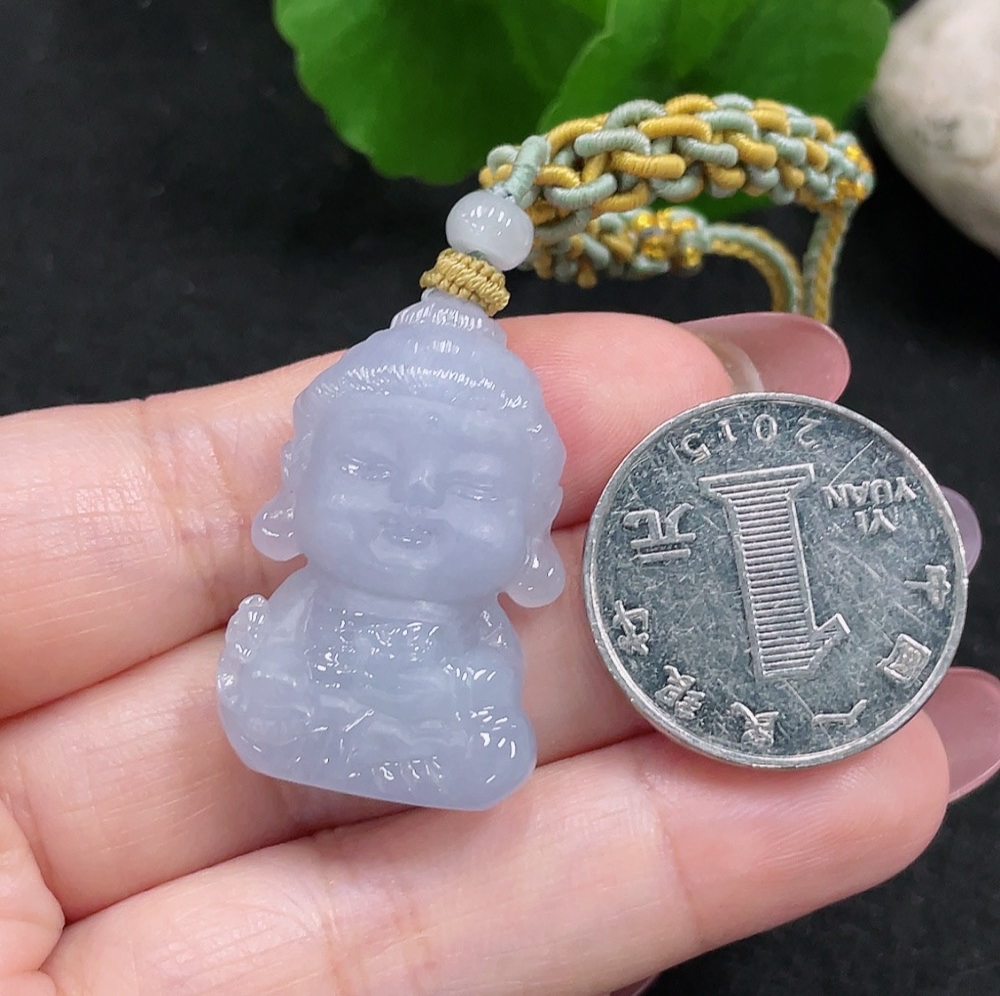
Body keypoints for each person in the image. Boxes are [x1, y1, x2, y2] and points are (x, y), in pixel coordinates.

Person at [0, 310, 995, 995]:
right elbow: (266, 698)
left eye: (473, 486)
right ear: (296, 486)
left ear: (527, 532)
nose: (413, 504)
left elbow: (484, 745)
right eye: (368, 465)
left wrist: (431, 721)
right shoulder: (298, 611)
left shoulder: (476, 636)